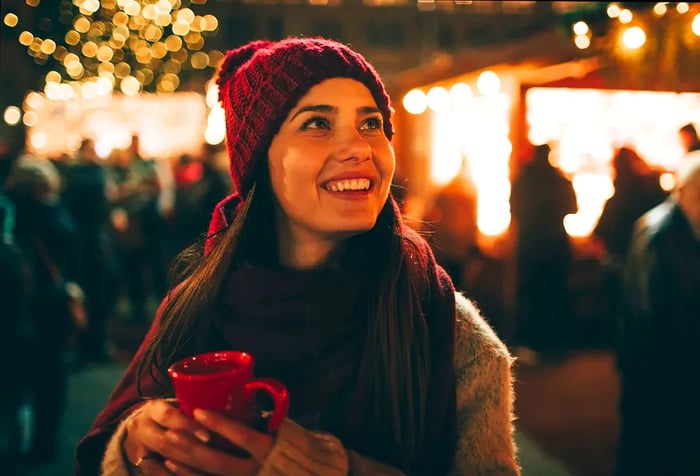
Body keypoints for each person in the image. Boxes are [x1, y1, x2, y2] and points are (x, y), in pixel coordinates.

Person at [75, 37, 519, 476]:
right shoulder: (194, 306)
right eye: (317, 124)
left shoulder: (448, 330)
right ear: (258, 159)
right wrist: (135, 447)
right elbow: (106, 453)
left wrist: (333, 468)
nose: (361, 148)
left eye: (371, 124)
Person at [614, 151, 700, 476]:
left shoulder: (669, 227)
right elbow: (654, 312)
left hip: (654, 363)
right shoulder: (663, 236)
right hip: (660, 366)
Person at [509, 143, 577, 356]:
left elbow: (514, 209)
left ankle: (533, 342)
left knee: (532, 292)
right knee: (555, 292)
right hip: (555, 244)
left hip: (530, 244)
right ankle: (556, 343)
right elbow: (573, 208)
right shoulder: (560, 180)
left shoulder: (523, 181)